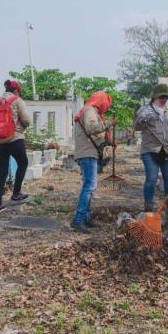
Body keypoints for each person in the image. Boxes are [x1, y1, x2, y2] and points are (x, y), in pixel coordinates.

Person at [133, 83, 168, 212]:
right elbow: (137, 127)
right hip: (150, 150)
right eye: (162, 97)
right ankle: (149, 207)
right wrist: (142, 118)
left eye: (166, 97)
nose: (164, 99)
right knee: (151, 179)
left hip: (167, 150)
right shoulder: (145, 111)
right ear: (155, 97)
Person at [72, 91, 116, 233]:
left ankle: (86, 217)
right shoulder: (90, 110)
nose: (106, 108)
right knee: (89, 186)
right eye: (106, 104)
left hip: (87, 152)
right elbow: (91, 129)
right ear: (101, 101)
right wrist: (109, 123)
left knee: (89, 187)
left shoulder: (90, 110)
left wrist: (109, 142)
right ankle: (78, 220)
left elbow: (96, 135)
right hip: (87, 154)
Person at [0, 79, 31, 214]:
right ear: (17, 91)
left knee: (2, 171)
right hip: (15, 139)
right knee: (23, 163)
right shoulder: (17, 101)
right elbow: (26, 120)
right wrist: (20, 127)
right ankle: (16, 193)